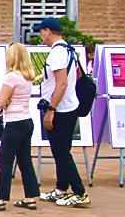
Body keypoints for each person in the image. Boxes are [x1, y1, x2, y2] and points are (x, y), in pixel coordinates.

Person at [32, 17, 90, 207]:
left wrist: (51, 110)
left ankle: (80, 192)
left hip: (61, 109)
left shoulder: (57, 53)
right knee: (62, 151)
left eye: (41, 31)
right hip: (70, 106)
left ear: (48, 31)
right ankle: (61, 189)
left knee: (62, 152)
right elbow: (79, 76)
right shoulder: (69, 49)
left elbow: (62, 83)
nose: (40, 35)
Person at [0, 43, 41, 211]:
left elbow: (1, 102)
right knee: (25, 161)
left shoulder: (12, 76)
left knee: (6, 162)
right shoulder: (28, 76)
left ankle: (0, 199)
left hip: (14, 123)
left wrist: (6, 101)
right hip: (27, 121)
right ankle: (30, 197)